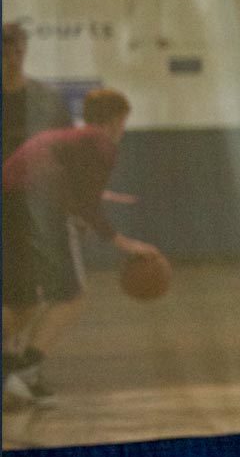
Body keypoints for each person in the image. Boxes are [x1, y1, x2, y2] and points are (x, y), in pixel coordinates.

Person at [2, 88, 160, 404]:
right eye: (123, 121)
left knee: (22, 303)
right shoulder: (100, 144)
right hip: (34, 206)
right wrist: (125, 243)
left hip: (8, 204)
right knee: (71, 296)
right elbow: (85, 205)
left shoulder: (68, 139)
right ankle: (25, 372)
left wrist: (83, 209)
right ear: (117, 120)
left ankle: (10, 373)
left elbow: (65, 187)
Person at [3, 21, 72, 165]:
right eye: (5, 54)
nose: (13, 61)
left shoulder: (49, 98)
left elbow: (68, 148)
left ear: (25, 51)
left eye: (18, 52)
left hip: (38, 182)